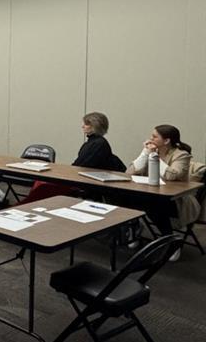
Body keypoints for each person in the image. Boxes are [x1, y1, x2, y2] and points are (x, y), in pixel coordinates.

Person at [126, 124, 199, 260]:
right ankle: (134, 227)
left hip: (177, 200)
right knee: (124, 197)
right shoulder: (151, 152)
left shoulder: (182, 155)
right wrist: (144, 154)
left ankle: (172, 243)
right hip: (151, 194)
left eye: (154, 136)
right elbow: (129, 172)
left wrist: (154, 156)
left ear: (166, 141)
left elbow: (171, 176)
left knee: (153, 204)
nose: (150, 139)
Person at [21, 111, 125, 204]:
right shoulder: (94, 142)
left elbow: (81, 166)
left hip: (84, 181)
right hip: (80, 177)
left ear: (94, 126)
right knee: (41, 181)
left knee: (44, 185)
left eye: (86, 124)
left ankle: (26, 206)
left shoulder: (98, 144)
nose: (82, 126)